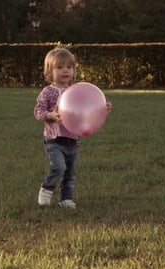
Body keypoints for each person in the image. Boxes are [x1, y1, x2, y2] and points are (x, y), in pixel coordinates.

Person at [33, 47, 112, 209]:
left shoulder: (77, 91)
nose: (65, 71)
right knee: (59, 166)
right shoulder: (48, 92)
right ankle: (46, 189)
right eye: (60, 67)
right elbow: (38, 111)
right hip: (54, 138)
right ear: (49, 72)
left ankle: (66, 199)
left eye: (69, 67)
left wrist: (102, 108)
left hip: (72, 139)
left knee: (70, 172)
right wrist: (50, 115)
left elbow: (86, 110)